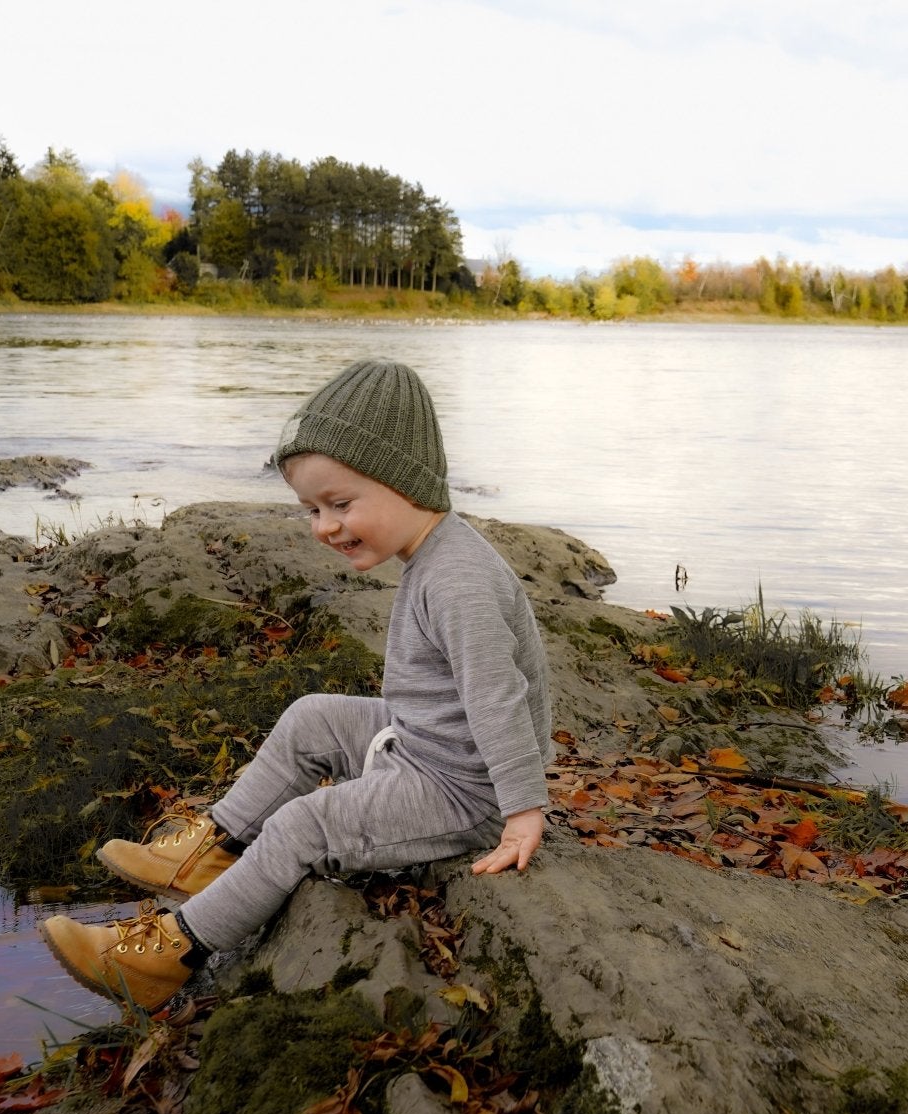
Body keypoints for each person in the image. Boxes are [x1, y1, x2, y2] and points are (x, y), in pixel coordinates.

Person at [39, 359, 553, 1009]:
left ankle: (170, 951)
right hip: (428, 742)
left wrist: (522, 811)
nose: (324, 526)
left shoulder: (458, 580)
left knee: (301, 826)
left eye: (340, 504)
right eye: (312, 508)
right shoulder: (433, 553)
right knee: (312, 716)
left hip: (463, 793)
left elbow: (496, 696)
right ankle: (213, 847)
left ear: (405, 481)